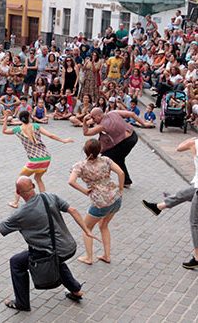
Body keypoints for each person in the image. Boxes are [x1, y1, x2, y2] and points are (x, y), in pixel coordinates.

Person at [0, 176, 98, 312]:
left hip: (48, 253)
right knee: (56, 259)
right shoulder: (49, 196)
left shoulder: (21, 214)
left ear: (17, 192)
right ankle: (75, 290)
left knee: (16, 263)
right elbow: (73, 210)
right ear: (33, 186)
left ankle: (22, 303)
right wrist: (87, 230)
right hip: (68, 247)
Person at [141, 137, 198, 269]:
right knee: (183, 194)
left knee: (194, 222)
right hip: (196, 184)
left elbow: (179, 147)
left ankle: (197, 257)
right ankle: (158, 207)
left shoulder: (194, 143)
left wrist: (193, 138)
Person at [68, 139, 125, 265]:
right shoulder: (106, 160)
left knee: (86, 228)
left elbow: (71, 181)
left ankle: (89, 257)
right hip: (115, 198)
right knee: (104, 225)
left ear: (85, 150)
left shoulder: (80, 166)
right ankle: (107, 255)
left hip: (100, 203)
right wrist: (120, 189)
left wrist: (85, 191)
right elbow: (121, 172)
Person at [3, 110, 73, 208]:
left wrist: (6, 117)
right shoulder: (36, 126)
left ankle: (15, 202)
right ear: (29, 117)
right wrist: (64, 140)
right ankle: (45, 201)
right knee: (38, 178)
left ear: (20, 119)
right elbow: (50, 135)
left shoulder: (17, 129)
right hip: (46, 158)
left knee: (20, 180)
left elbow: (4, 131)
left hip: (34, 161)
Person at [83, 108, 151, 187]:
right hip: (133, 136)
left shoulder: (103, 125)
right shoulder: (113, 112)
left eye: (93, 118)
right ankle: (126, 181)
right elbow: (132, 114)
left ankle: (103, 181)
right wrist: (144, 124)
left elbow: (86, 132)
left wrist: (84, 121)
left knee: (105, 158)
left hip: (125, 142)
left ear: (99, 116)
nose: (93, 120)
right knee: (119, 159)